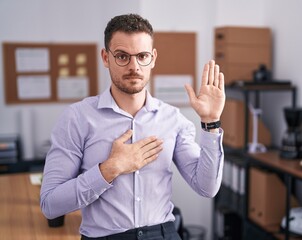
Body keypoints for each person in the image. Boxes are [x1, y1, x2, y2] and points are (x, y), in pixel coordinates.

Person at [40, 13, 225, 240]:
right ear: (106, 58)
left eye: (142, 56)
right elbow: (50, 204)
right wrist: (110, 169)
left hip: (163, 234)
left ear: (153, 58)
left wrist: (211, 122)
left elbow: (206, 188)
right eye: (122, 56)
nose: (134, 66)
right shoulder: (77, 118)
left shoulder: (173, 119)